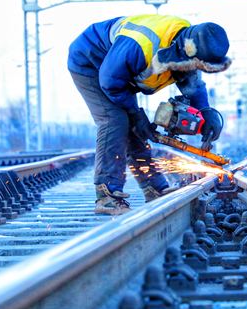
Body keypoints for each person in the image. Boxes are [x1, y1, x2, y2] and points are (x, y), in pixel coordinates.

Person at [68, 14, 231, 215]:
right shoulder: (140, 46)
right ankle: (106, 196)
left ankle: (154, 188)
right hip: (91, 63)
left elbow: (192, 86)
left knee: (134, 131)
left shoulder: (190, 40)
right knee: (115, 120)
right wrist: (136, 114)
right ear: (184, 53)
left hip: (117, 73)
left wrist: (206, 113)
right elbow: (110, 81)